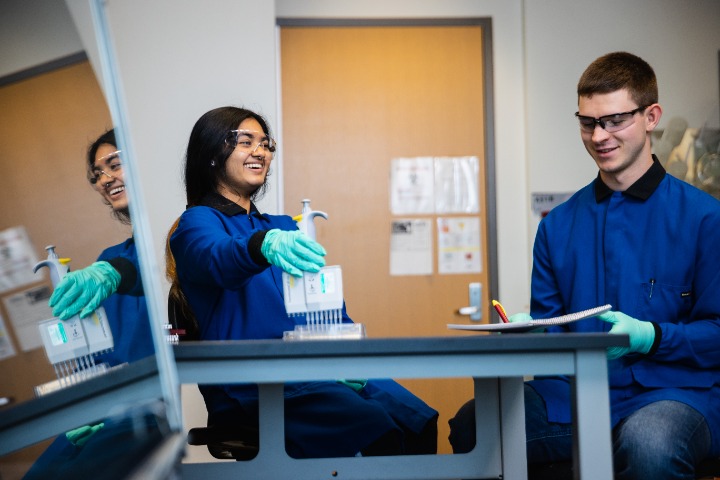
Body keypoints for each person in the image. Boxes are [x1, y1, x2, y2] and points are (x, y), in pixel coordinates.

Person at [448, 51, 720, 479]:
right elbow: (553, 329)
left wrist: (652, 337)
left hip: (674, 393)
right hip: (573, 394)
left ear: (652, 116)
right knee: (474, 426)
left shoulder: (705, 219)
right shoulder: (557, 227)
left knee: (649, 443)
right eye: (588, 122)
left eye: (615, 120)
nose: (599, 136)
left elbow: (717, 334)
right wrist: (532, 332)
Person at [169, 106, 438, 458]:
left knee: (417, 421)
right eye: (245, 141)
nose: (260, 151)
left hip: (313, 371)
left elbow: (321, 303)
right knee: (376, 430)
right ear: (212, 155)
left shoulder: (282, 225)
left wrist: (349, 353)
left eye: (265, 144)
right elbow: (218, 257)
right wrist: (261, 245)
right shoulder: (197, 222)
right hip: (254, 385)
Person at [23, 129, 157, 479]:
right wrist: (82, 404)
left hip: (155, 411)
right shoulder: (109, 259)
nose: (104, 180)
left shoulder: (181, 240)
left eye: (114, 164)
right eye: (97, 174)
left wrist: (114, 272)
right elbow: (96, 358)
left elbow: (156, 268)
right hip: (109, 411)